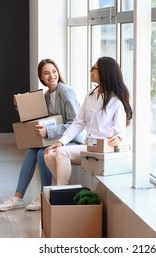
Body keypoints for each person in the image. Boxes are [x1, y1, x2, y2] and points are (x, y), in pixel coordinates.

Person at [0, 59, 84, 211]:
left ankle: (45, 196)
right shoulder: (46, 95)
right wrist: (19, 105)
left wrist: (49, 132)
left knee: (42, 153)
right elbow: (35, 117)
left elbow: (74, 124)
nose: (51, 76)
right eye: (46, 73)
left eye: (54, 71)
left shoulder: (66, 92)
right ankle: (18, 197)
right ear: (41, 77)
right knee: (31, 151)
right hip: (55, 138)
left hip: (71, 140)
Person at [44, 56, 133, 186]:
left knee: (62, 152)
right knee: (48, 154)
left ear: (104, 72)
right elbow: (79, 122)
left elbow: (120, 133)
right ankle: (62, 189)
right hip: (88, 146)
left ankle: (60, 191)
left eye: (94, 68)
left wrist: (118, 138)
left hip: (102, 150)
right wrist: (61, 142)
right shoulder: (90, 94)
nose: (90, 71)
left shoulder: (116, 101)